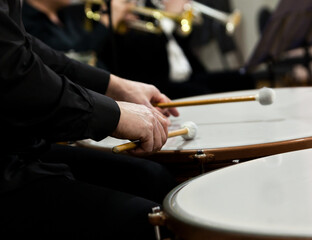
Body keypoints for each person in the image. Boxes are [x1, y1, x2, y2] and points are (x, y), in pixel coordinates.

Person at [0, 0, 180, 239]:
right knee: (144, 220)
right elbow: (14, 77)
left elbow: (25, 49)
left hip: (18, 144)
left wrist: (114, 85)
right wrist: (113, 115)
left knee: (153, 177)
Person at [22, 0, 256, 100]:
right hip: (92, 90)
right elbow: (72, 56)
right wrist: (108, 25)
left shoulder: (70, 16)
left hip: (112, 85)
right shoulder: (26, 22)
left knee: (243, 78)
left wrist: (170, 20)